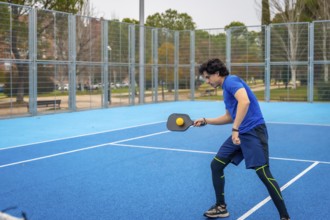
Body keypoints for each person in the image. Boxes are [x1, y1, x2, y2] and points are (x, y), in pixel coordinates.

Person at [194, 58, 290, 220]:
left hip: (253, 132)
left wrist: (235, 129)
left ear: (217, 74)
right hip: (241, 132)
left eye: (208, 77)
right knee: (216, 165)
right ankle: (220, 206)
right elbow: (229, 116)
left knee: (263, 174)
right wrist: (206, 120)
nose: (207, 81)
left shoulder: (231, 81)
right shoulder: (226, 90)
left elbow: (244, 102)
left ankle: (285, 217)